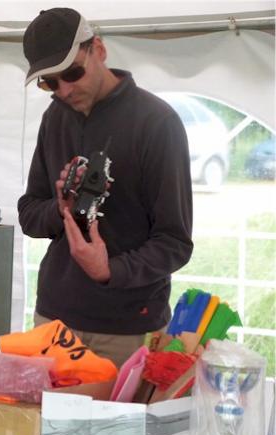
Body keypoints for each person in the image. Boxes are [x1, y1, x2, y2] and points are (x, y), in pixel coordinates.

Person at [18, 8, 193, 367]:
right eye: (50, 83)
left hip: (127, 327)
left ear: (98, 49)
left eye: (72, 73)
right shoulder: (55, 117)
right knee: (47, 407)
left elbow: (175, 242)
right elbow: (29, 213)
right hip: (54, 319)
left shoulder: (157, 123)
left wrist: (109, 270)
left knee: (119, 410)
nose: (64, 90)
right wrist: (60, 207)